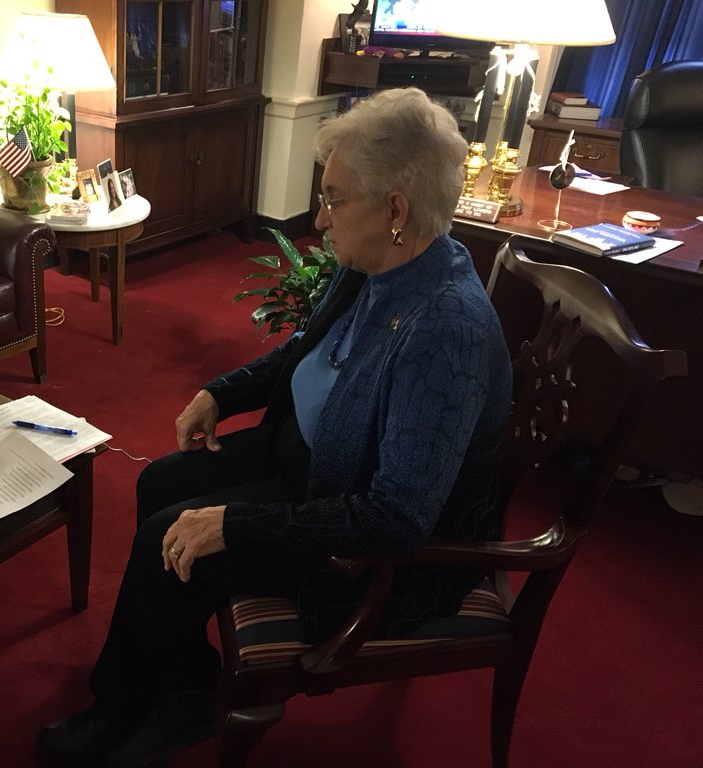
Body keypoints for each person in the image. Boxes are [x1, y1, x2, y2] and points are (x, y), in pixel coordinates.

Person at [37, 87, 512, 767]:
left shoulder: (444, 328)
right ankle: (187, 681)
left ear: (396, 210)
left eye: (334, 200)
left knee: (163, 534)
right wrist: (220, 392)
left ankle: (120, 708)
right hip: (316, 459)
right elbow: (303, 353)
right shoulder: (378, 262)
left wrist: (238, 525)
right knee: (161, 483)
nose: (319, 219)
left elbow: (396, 520)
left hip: (362, 541)